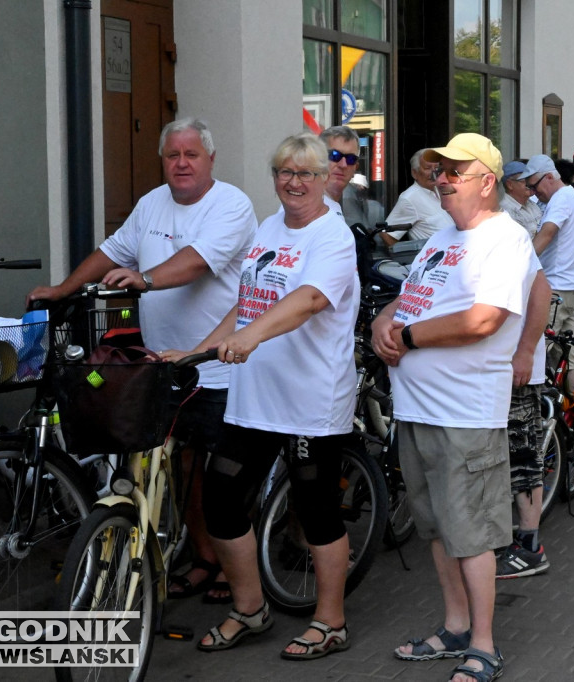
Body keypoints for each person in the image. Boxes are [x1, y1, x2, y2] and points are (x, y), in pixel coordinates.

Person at [27, 116, 257, 605]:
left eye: (191, 154)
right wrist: (63, 290)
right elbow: (112, 250)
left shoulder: (231, 205)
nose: (181, 163)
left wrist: (145, 279)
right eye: (172, 155)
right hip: (161, 365)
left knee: (215, 478)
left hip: (219, 364)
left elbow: (197, 262)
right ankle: (204, 559)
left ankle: (236, 574)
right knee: (177, 469)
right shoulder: (151, 203)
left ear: (210, 159)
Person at [175, 132, 360, 658]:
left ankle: (331, 622)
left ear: (325, 179)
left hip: (310, 399)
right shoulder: (269, 226)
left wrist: (251, 336)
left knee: (317, 509)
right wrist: (199, 351)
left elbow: (308, 300)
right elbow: (251, 301)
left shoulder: (332, 237)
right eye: (285, 172)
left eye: (306, 173)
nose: (294, 182)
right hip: (253, 396)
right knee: (223, 500)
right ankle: (251, 609)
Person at [373, 133, 541, 682]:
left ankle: (485, 646)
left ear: (486, 181)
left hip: (465, 412)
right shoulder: (443, 235)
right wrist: (385, 318)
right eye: (438, 171)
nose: (441, 179)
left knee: (470, 533)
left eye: (454, 171)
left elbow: (482, 320)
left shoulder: (505, 238)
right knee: (439, 529)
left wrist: (412, 338)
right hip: (418, 407)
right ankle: (454, 627)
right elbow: (413, 293)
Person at [498, 162, 552, 580]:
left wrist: (526, 352)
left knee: (523, 455)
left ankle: (530, 544)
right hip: (493, 370)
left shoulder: (509, 232)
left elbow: (541, 290)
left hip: (518, 370)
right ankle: (511, 538)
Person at [521, 154, 574, 343]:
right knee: (569, 353)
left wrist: (521, 265)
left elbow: (547, 233)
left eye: (534, 185)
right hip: (572, 287)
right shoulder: (572, 196)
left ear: (549, 177)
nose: (533, 192)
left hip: (555, 288)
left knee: (538, 348)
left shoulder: (560, 200)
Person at [381, 149, 454, 247]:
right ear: (414, 173)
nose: (434, 172)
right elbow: (386, 233)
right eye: (428, 168)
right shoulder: (410, 198)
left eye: (437, 167)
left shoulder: (441, 190)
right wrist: (407, 256)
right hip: (434, 259)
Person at [319, 125, 361, 217]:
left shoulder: (333, 208)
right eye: (335, 155)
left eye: (351, 159)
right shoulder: (304, 209)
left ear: (356, 167)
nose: (343, 165)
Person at [500, 160, 543, 236]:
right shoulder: (505, 210)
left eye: (530, 179)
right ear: (510, 184)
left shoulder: (531, 204)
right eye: (525, 180)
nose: (530, 184)